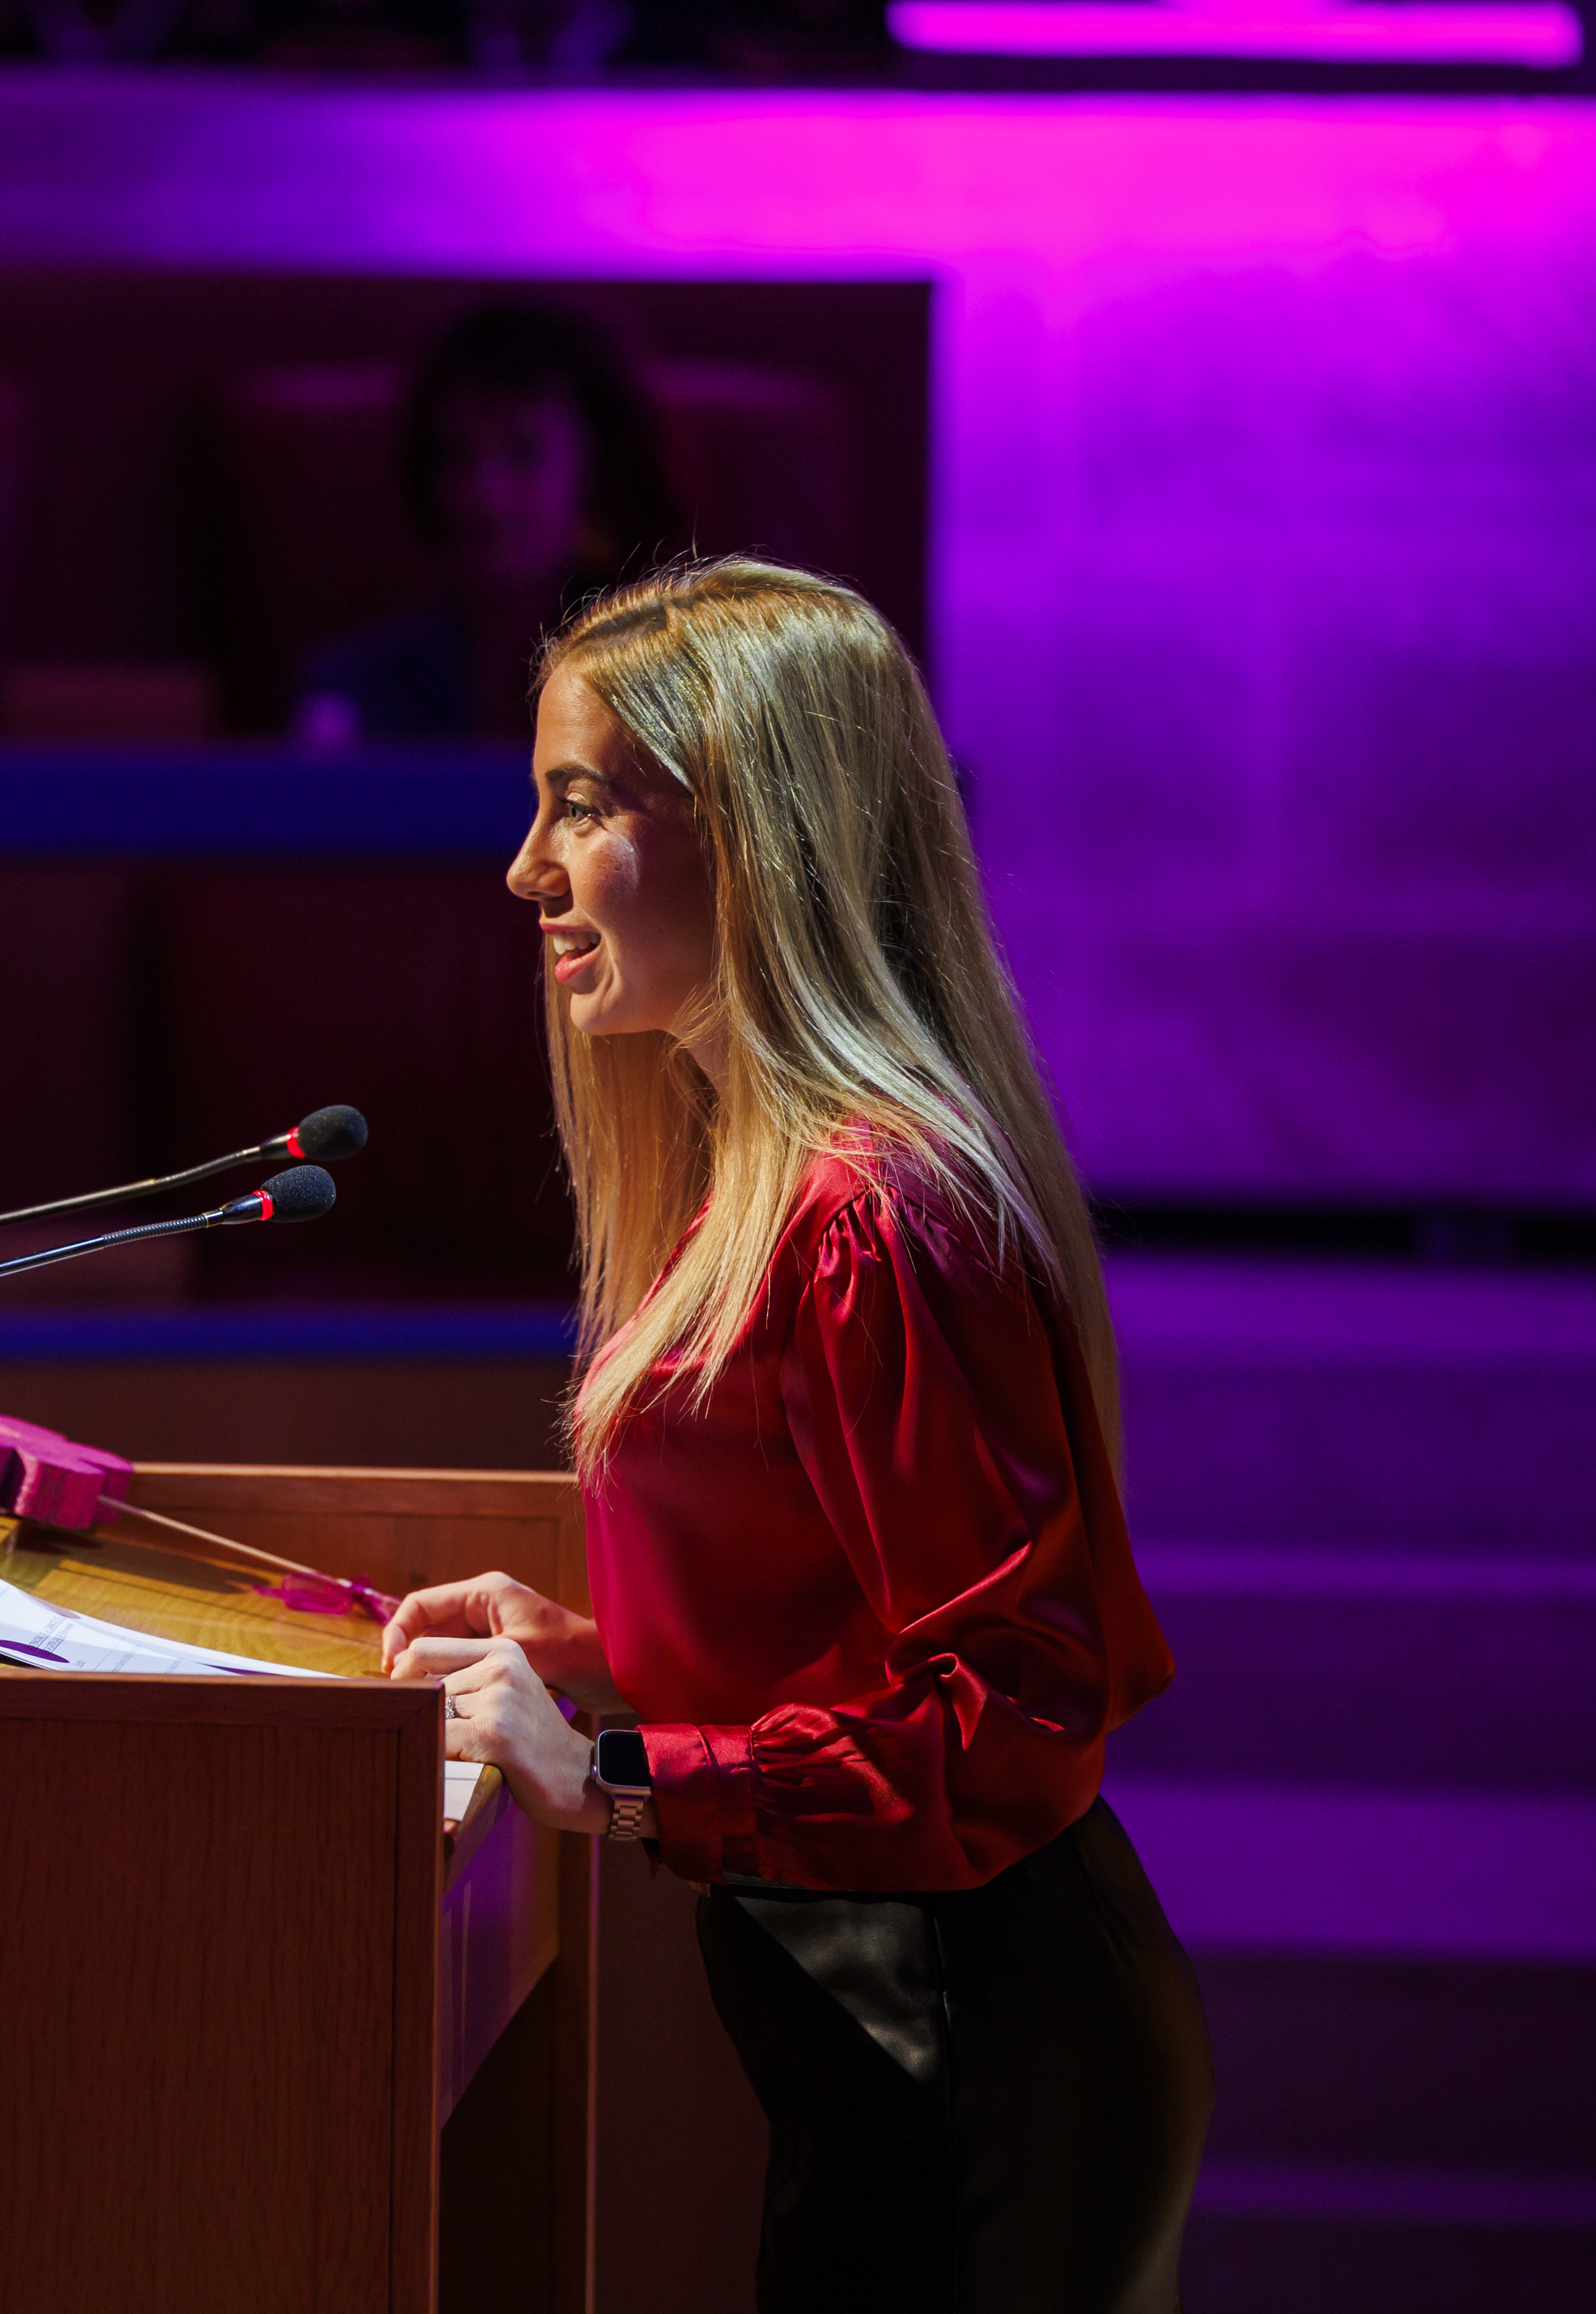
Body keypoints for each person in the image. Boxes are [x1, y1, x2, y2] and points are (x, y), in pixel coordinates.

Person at [381, 561, 1209, 2310]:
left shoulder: (876, 1214)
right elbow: (856, 1641)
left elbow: (1009, 1719)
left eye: (581, 807)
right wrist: (611, 1676)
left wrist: (612, 1778)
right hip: (893, 2032)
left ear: (758, 834)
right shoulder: (765, 1185)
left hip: (978, 2041)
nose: (525, 872)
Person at [297, 301, 684, 744]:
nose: (485, 495)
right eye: (457, 457)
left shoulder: (665, 688)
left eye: (523, 453)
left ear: (599, 475)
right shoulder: (356, 690)